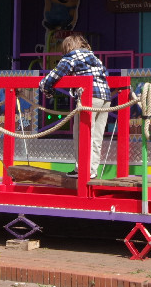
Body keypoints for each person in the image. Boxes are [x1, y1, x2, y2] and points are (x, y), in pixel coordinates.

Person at [38, 34, 110, 180]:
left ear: (67, 47)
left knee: (81, 134)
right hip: (105, 97)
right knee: (96, 136)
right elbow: (106, 74)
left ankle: (81, 169)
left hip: (89, 96)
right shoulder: (95, 58)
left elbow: (53, 76)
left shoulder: (70, 57)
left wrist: (47, 90)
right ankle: (92, 170)